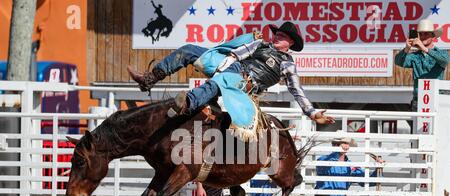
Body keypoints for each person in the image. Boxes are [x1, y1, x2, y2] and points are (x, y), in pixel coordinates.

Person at [127, 22, 335, 125]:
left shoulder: (288, 64)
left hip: (246, 81)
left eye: (283, 36)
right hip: (231, 63)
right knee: (189, 49)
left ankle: (187, 103)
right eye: (277, 33)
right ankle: (149, 79)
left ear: (290, 43)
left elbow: (297, 91)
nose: (277, 36)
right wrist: (230, 58)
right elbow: (243, 51)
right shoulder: (261, 43)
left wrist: (312, 112)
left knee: (222, 80)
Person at [312, 134, 385, 196]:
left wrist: (378, 168)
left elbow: (369, 181)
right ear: (334, 145)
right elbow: (322, 166)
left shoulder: (350, 166)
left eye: (346, 143)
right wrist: (338, 151)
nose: (345, 146)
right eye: (341, 143)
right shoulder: (323, 160)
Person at [395, 19, 449, 114]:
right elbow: (398, 62)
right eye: (421, 34)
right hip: (419, 100)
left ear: (433, 36)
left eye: (426, 34)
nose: (423, 37)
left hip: (437, 99)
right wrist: (407, 48)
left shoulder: (441, 53)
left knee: (437, 128)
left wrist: (424, 49)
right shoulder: (415, 56)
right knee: (417, 129)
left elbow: (445, 60)